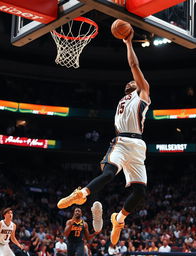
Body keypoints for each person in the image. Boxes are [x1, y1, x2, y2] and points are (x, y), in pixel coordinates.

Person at [58, 28, 150, 246]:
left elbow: (135, 68)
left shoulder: (137, 94)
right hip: (123, 140)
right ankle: (82, 193)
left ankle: (119, 219)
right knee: (109, 173)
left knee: (141, 192)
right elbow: (134, 66)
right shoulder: (130, 97)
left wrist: (129, 44)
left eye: (134, 82)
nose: (133, 82)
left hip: (137, 145)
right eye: (131, 83)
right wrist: (128, 43)